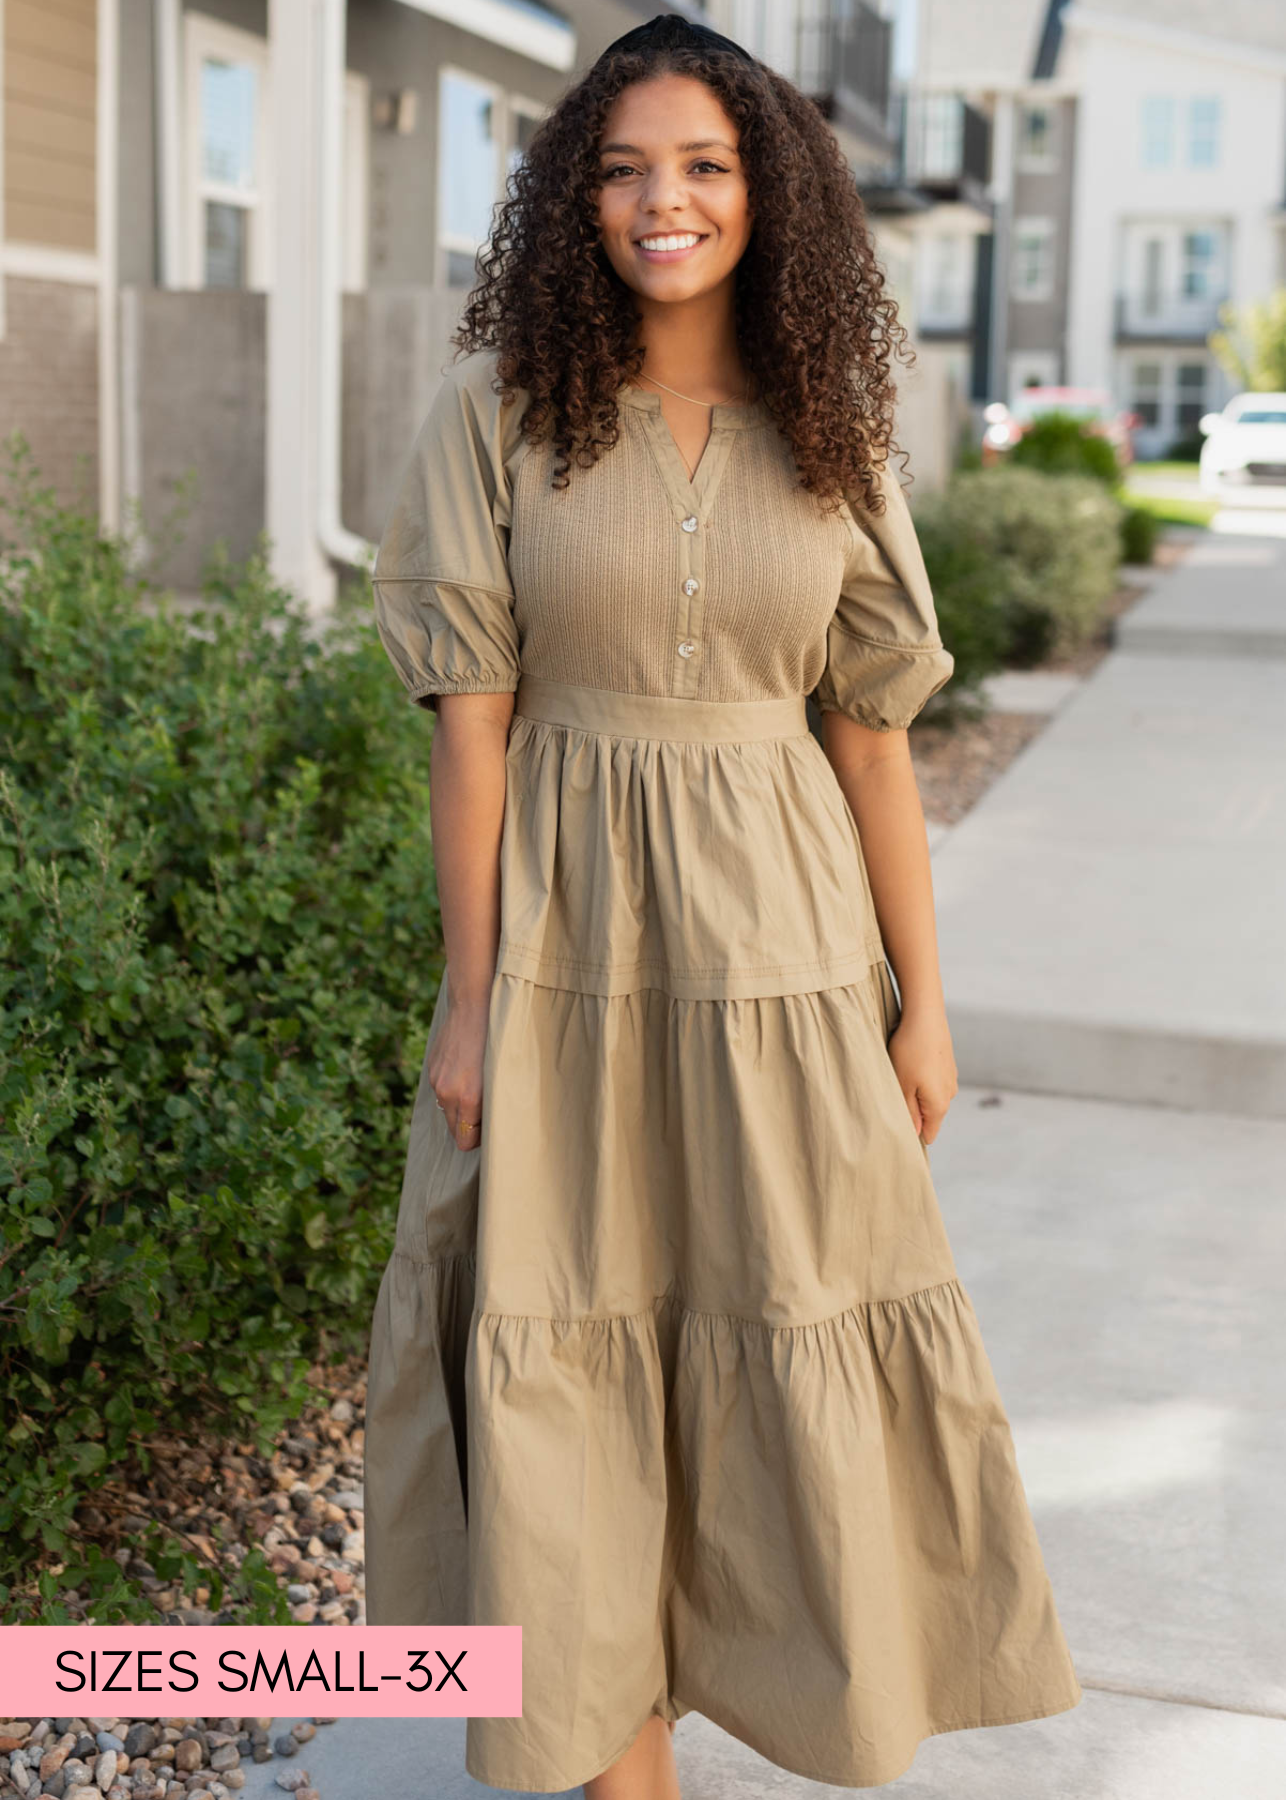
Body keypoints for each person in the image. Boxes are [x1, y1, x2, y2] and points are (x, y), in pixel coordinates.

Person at [362, 14, 1082, 1797]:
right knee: (574, 1350)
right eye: (619, 169)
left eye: (701, 165)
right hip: (567, 958)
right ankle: (623, 1771)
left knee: (770, 1337)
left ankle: (733, 1698)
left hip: (783, 962)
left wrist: (920, 998)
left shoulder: (835, 425)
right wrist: (472, 998)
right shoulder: (497, 411)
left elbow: (868, 747)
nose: (658, 201)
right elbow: (474, 736)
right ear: (571, 200)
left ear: (769, 194)